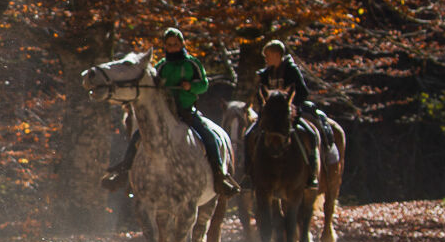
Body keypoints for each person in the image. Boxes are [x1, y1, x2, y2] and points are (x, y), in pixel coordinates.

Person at [102, 27, 239, 199]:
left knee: (210, 137)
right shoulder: (161, 66)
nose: (173, 47)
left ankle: (219, 175)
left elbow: (203, 84)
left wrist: (191, 86)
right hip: (165, 113)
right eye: (169, 44)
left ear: (182, 44)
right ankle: (123, 174)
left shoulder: (192, 64)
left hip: (187, 111)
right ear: (165, 46)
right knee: (137, 137)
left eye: (175, 44)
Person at [253, 38, 325, 188]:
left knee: (310, 135)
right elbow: (261, 95)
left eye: (267, 55)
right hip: (271, 117)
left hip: (289, 115)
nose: (265, 59)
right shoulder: (266, 73)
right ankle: (249, 174)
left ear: (276, 54)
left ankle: (311, 174)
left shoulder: (291, 70)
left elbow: (303, 93)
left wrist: (289, 106)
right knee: (249, 135)